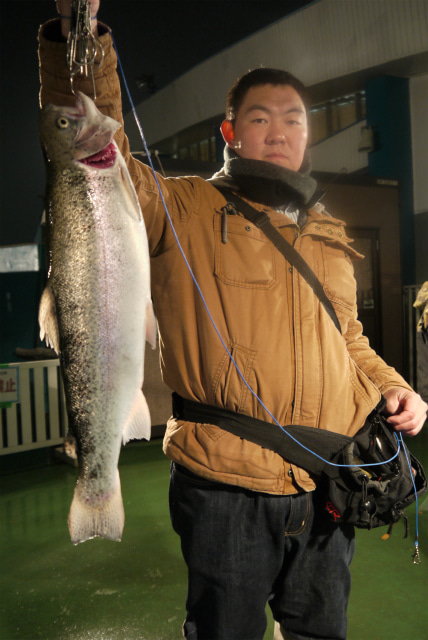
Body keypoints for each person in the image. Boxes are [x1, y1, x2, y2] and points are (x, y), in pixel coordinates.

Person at [39, 3, 427, 639]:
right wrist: (74, 39)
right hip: (225, 490)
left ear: (307, 134)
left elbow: (349, 338)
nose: (280, 130)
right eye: (260, 117)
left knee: (321, 631)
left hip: (327, 485)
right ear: (230, 132)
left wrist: (393, 385)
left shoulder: (330, 232)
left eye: (295, 118)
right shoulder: (184, 206)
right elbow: (89, 154)